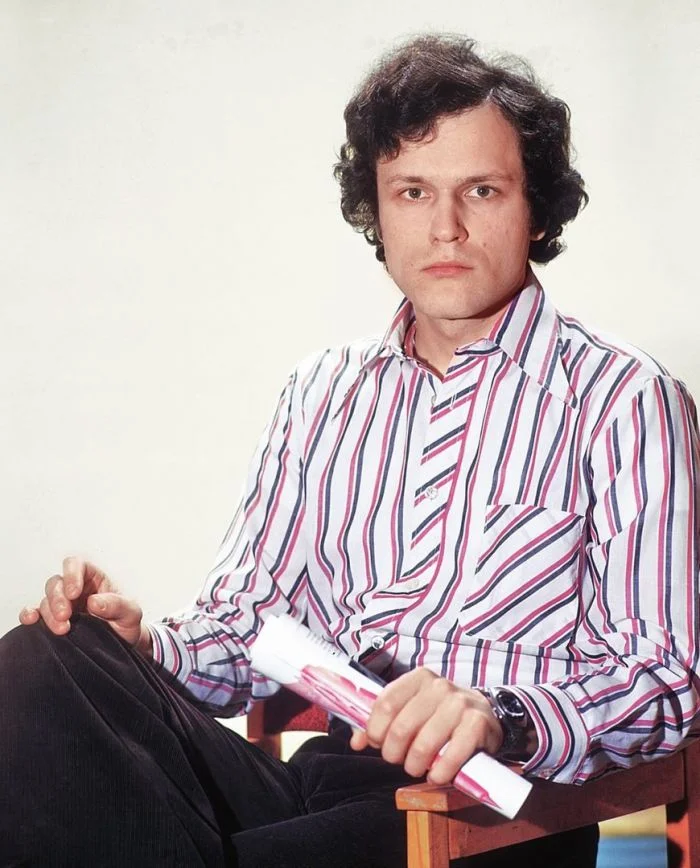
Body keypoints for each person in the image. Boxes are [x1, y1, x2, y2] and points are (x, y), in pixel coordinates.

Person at [2, 34, 698, 868]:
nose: (445, 227)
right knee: (44, 658)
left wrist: (500, 715)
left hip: (493, 814)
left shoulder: (624, 397)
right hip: (318, 787)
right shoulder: (321, 392)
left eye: (481, 190)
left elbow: (665, 680)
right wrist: (143, 650)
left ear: (537, 209)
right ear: (378, 211)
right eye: (412, 192)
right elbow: (248, 627)